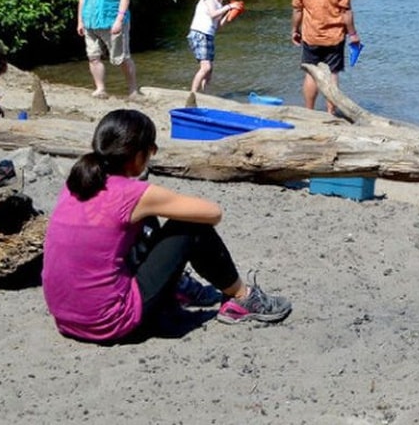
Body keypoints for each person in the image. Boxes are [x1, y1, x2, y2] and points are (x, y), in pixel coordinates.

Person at [42, 109, 292, 342]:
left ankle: (177, 288)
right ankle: (242, 297)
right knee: (191, 226)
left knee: (142, 220)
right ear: (139, 153)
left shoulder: (77, 184)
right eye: (151, 150)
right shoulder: (133, 193)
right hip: (112, 321)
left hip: (66, 320)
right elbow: (213, 213)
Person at [291, 0, 360, 112]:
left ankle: (309, 110)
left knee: (310, 72)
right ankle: (330, 113)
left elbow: (297, 9)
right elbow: (346, 12)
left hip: (311, 35)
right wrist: (353, 34)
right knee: (333, 74)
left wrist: (295, 30)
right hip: (334, 36)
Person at [77, 0, 138, 100]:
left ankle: (133, 90)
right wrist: (80, 21)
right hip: (90, 21)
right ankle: (100, 88)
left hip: (112, 20)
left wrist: (119, 19)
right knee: (93, 56)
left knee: (121, 57)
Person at [188, 0, 241, 94]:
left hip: (208, 35)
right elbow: (212, 14)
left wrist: (229, 15)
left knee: (209, 69)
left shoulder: (219, 3)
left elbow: (218, 26)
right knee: (205, 67)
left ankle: (205, 93)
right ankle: (193, 93)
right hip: (199, 33)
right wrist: (229, 7)